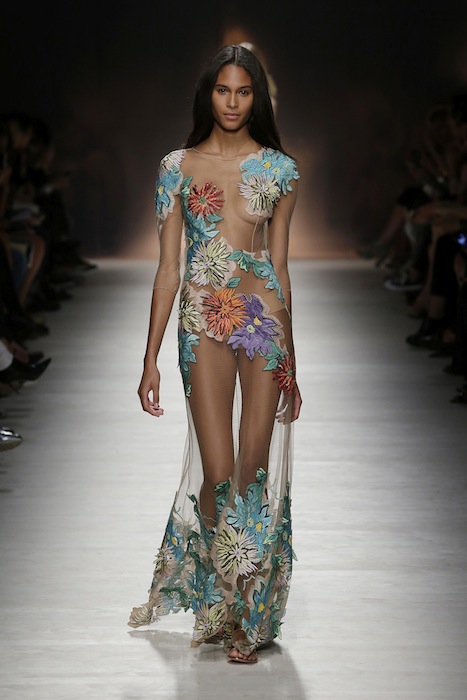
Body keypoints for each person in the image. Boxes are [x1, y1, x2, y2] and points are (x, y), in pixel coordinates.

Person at [128, 44, 302, 665]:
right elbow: (167, 268)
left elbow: (280, 266)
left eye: (243, 92)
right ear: (208, 94)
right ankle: (222, 596)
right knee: (219, 471)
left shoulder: (280, 170)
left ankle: (245, 614)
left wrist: (293, 362)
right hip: (202, 321)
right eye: (223, 90)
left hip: (262, 324)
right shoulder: (176, 168)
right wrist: (149, 356)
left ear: (258, 98)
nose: (232, 102)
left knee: (252, 471)